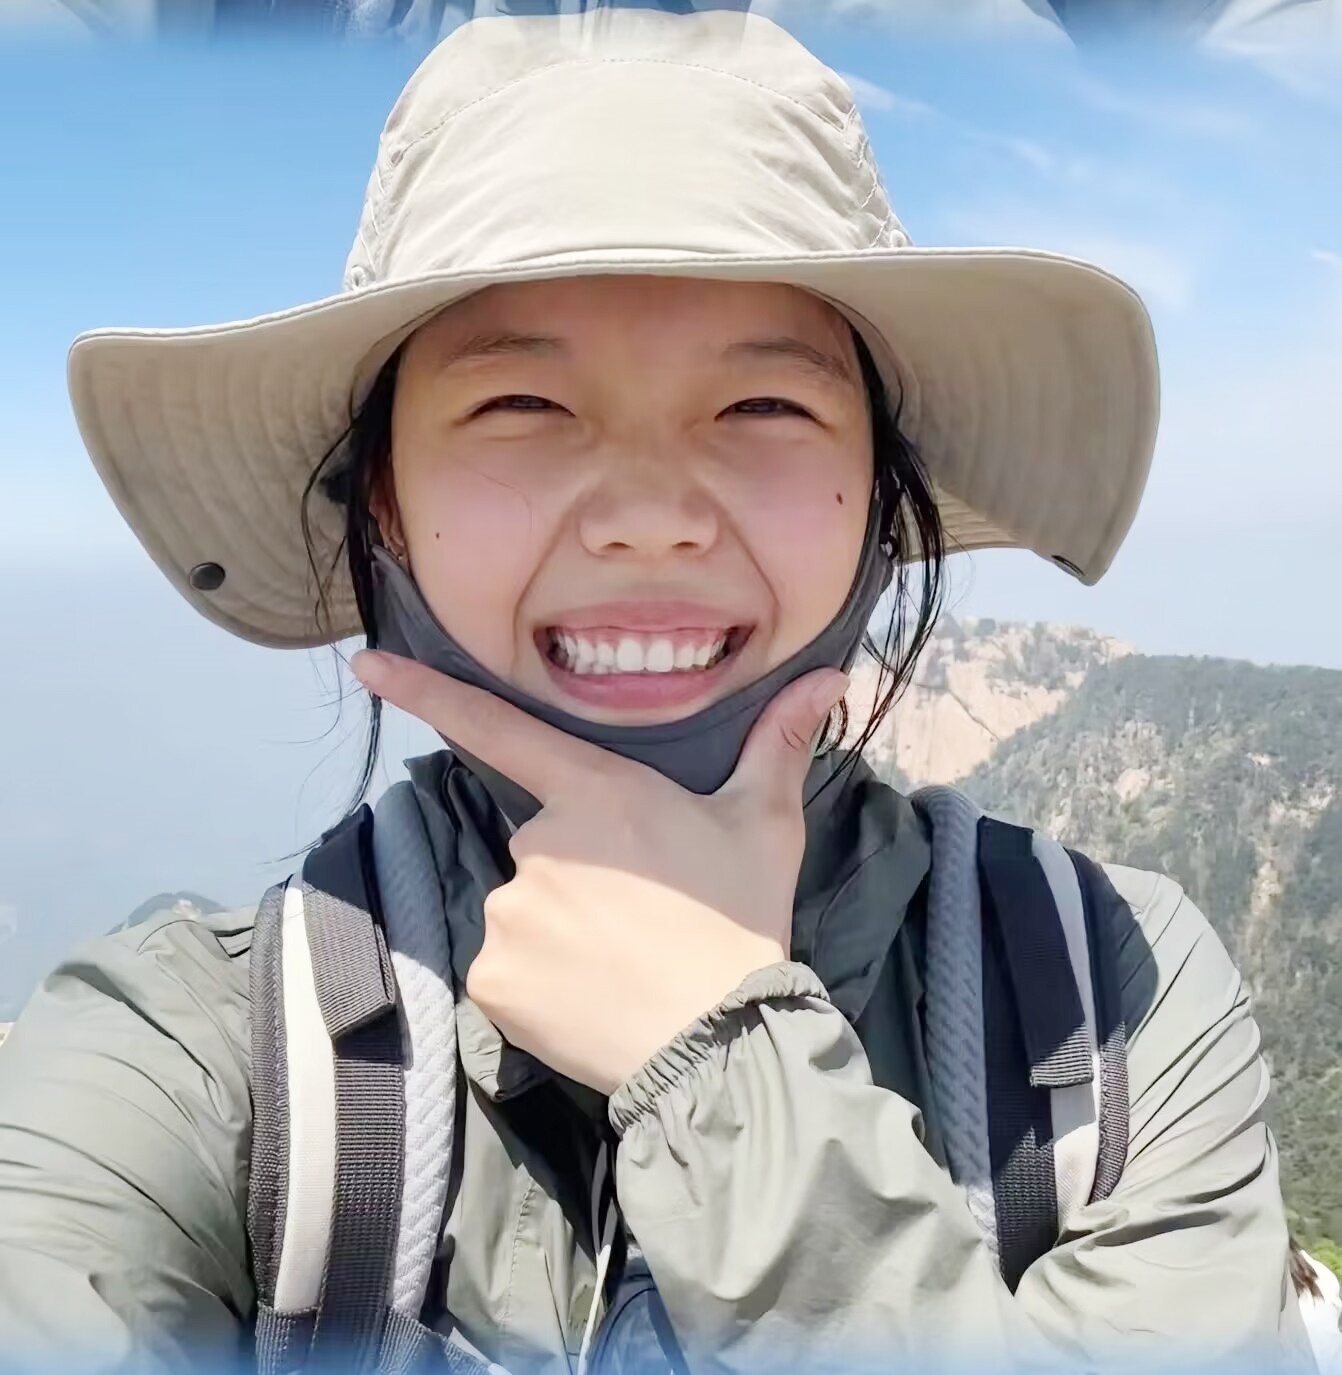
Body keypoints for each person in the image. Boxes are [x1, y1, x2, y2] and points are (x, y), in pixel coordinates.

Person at [0, 7, 1317, 1374]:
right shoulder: (194, 1050)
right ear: (381, 502)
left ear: (880, 495)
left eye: (764, 409)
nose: (648, 515)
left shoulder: (1106, 997)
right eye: (519, 407)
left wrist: (718, 1054)